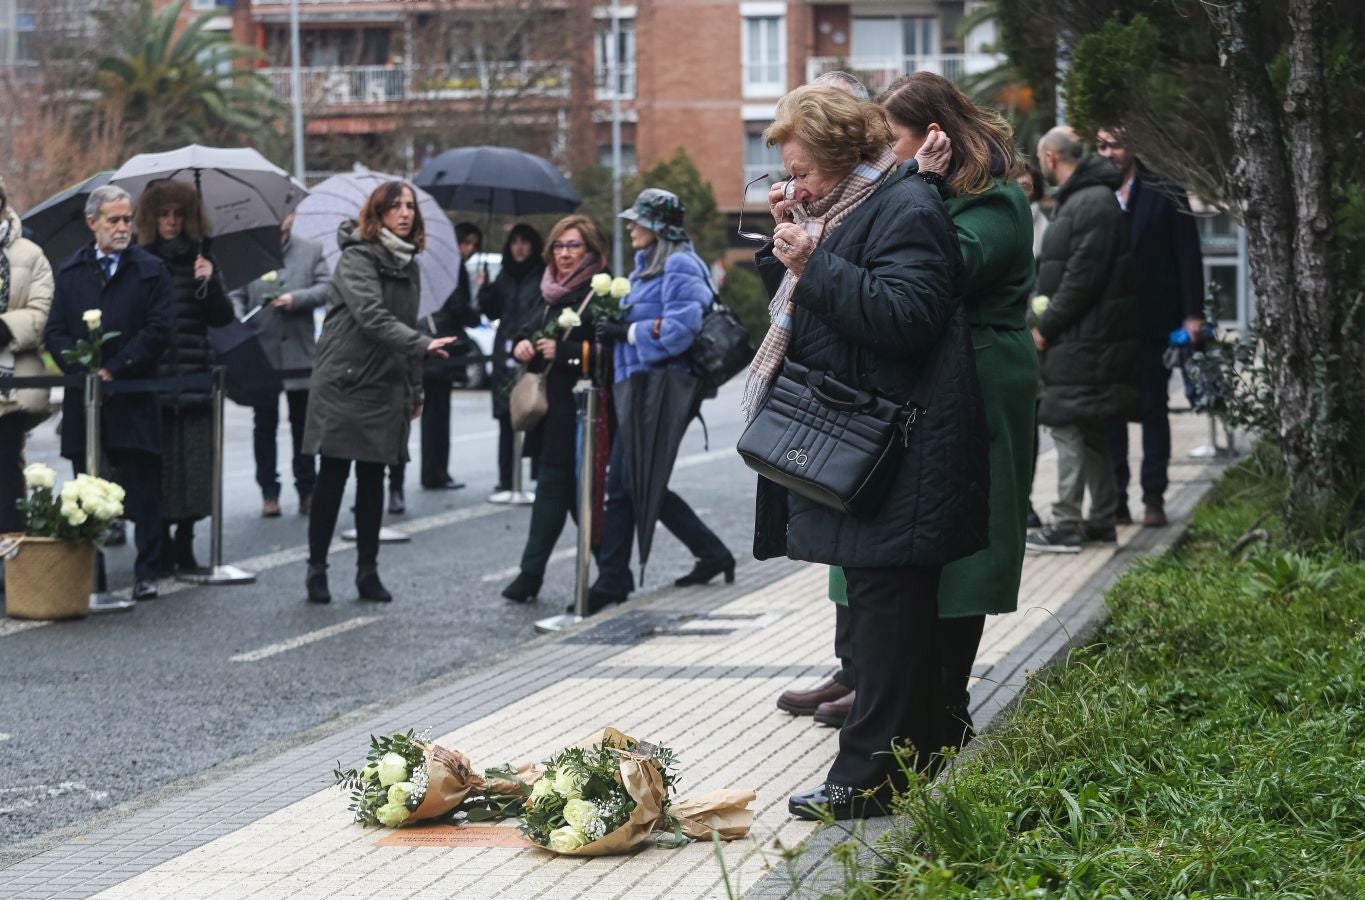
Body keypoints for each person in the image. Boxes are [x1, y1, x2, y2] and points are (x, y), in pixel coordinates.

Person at [749, 84, 989, 820]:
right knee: (892, 616)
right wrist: (795, 243)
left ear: (843, 155)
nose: (792, 186)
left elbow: (907, 317)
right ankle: (917, 754)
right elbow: (823, 307)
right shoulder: (854, 209)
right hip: (875, 450)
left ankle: (866, 780)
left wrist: (811, 263)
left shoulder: (905, 207)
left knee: (887, 623)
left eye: (801, 171)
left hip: (896, 453)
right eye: (783, 174)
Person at [301, 181, 459, 604]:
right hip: (346, 379)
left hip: (387, 380)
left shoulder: (409, 265)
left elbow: (410, 323)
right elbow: (371, 317)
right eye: (395, 207)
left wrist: (415, 390)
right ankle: (317, 569)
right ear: (378, 213)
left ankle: (367, 571)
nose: (405, 213)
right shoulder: (357, 256)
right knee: (333, 475)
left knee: (373, 478)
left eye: (410, 207)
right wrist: (422, 346)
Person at [589, 189, 732, 610]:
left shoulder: (680, 263)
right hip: (642, 386)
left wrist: (627, 333)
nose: (630, 227)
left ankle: (613, 580)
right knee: (634, 481)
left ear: (658, 228)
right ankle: (710, 552)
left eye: (638, 221)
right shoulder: (646, 267)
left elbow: (679, 329)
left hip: (665, 387)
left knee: (627, 484)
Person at [45, 185, 173, 599]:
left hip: (134, 393)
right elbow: (56, 332)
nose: (122, 228)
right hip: (87, 399)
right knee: (87, 489)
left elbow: (158, 329)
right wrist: (83, 369)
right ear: (92, 223)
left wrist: (116, 369)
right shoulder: (70, 272)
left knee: (144, 486)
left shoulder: (151, 268)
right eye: (113, 220)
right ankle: (91, 569)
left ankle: (147, 571)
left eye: (127, 219)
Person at [1025, 127, 1138, 553]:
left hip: (1083, 338)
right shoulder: (1090, 198)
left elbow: (1081, 278)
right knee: (1088, 428)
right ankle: (1102, 519)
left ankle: (1067, 522)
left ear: (1051, 158)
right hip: (1088, 336)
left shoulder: (1088, 201)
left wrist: (1045, 326)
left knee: (1066, 423)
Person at [500, 215, 612, 604]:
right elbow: (528, 328)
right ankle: (612, 574)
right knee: (569, 494)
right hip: (551, 409)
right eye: (560, 246)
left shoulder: (604, 291)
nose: (564, 255)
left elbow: (612, 353)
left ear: (591, 251)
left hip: (583, 408)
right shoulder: (548, 288)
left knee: (563, 490)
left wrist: (566, 354)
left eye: (574, 247)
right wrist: (523, 345)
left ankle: (533, 575)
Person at [1096, 127, 1205, 527]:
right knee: (1111, 417)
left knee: (1153, 411)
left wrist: (1193, 314)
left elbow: (1188, 258)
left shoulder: (1165, 192)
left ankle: (1154, 496)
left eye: (1117, 144)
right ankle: (1117, 499)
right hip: (1106, 329)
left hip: (1154, 322)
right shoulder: (1093, 195)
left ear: (1134, 147)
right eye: (1102, 145)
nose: (1109, 153)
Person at [134, 180, 236, 577]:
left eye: (178, 214)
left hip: (194, 377)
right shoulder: (140, 260)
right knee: (158, 468)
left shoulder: (202, 256)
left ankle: (186, 543)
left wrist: (208, 281)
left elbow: (222, 317)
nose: (171, 222)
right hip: (154, 379)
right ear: (151, 218)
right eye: (163, 214)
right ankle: (158, 542)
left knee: (195, 469)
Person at [229, 212, 330, 518]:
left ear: (292, 216)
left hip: (300, 353)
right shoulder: (247, 253)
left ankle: (307, 490)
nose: (278, 219)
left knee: (303, 426)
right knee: (264, 425)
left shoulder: (311, 249)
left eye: (284, 212)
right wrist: (239, 321)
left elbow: (328, 287)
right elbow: (235, 294)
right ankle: (269, 492)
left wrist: (295, 298)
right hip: (262, 352)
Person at [409, 220, 483, 499]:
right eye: (467, 243)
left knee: (435, 412)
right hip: (440, 344)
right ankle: (435, 472)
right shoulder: (450, 266)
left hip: (431, 342)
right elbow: (456, 305)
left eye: (475, 245)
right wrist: (474, 316)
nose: (470, 250)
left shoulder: (437, 263)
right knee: (437, 414)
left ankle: (437, 470)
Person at [0, 179, 54, 546]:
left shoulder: (30, 254)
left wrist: (3, 328)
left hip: (13, 384)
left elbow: (41, 314)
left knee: (6, 472)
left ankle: (12, 561)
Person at [478, 223, 545, 493]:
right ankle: (506, 478)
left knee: (536, 410)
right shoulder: (503, 275)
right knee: (506, 416)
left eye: (524, 241)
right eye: (514, 241)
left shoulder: (542, 275)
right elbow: (491, 312)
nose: (519, 247)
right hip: (504, 351)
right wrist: (484, 290)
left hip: (532, 349)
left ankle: (539, 476)